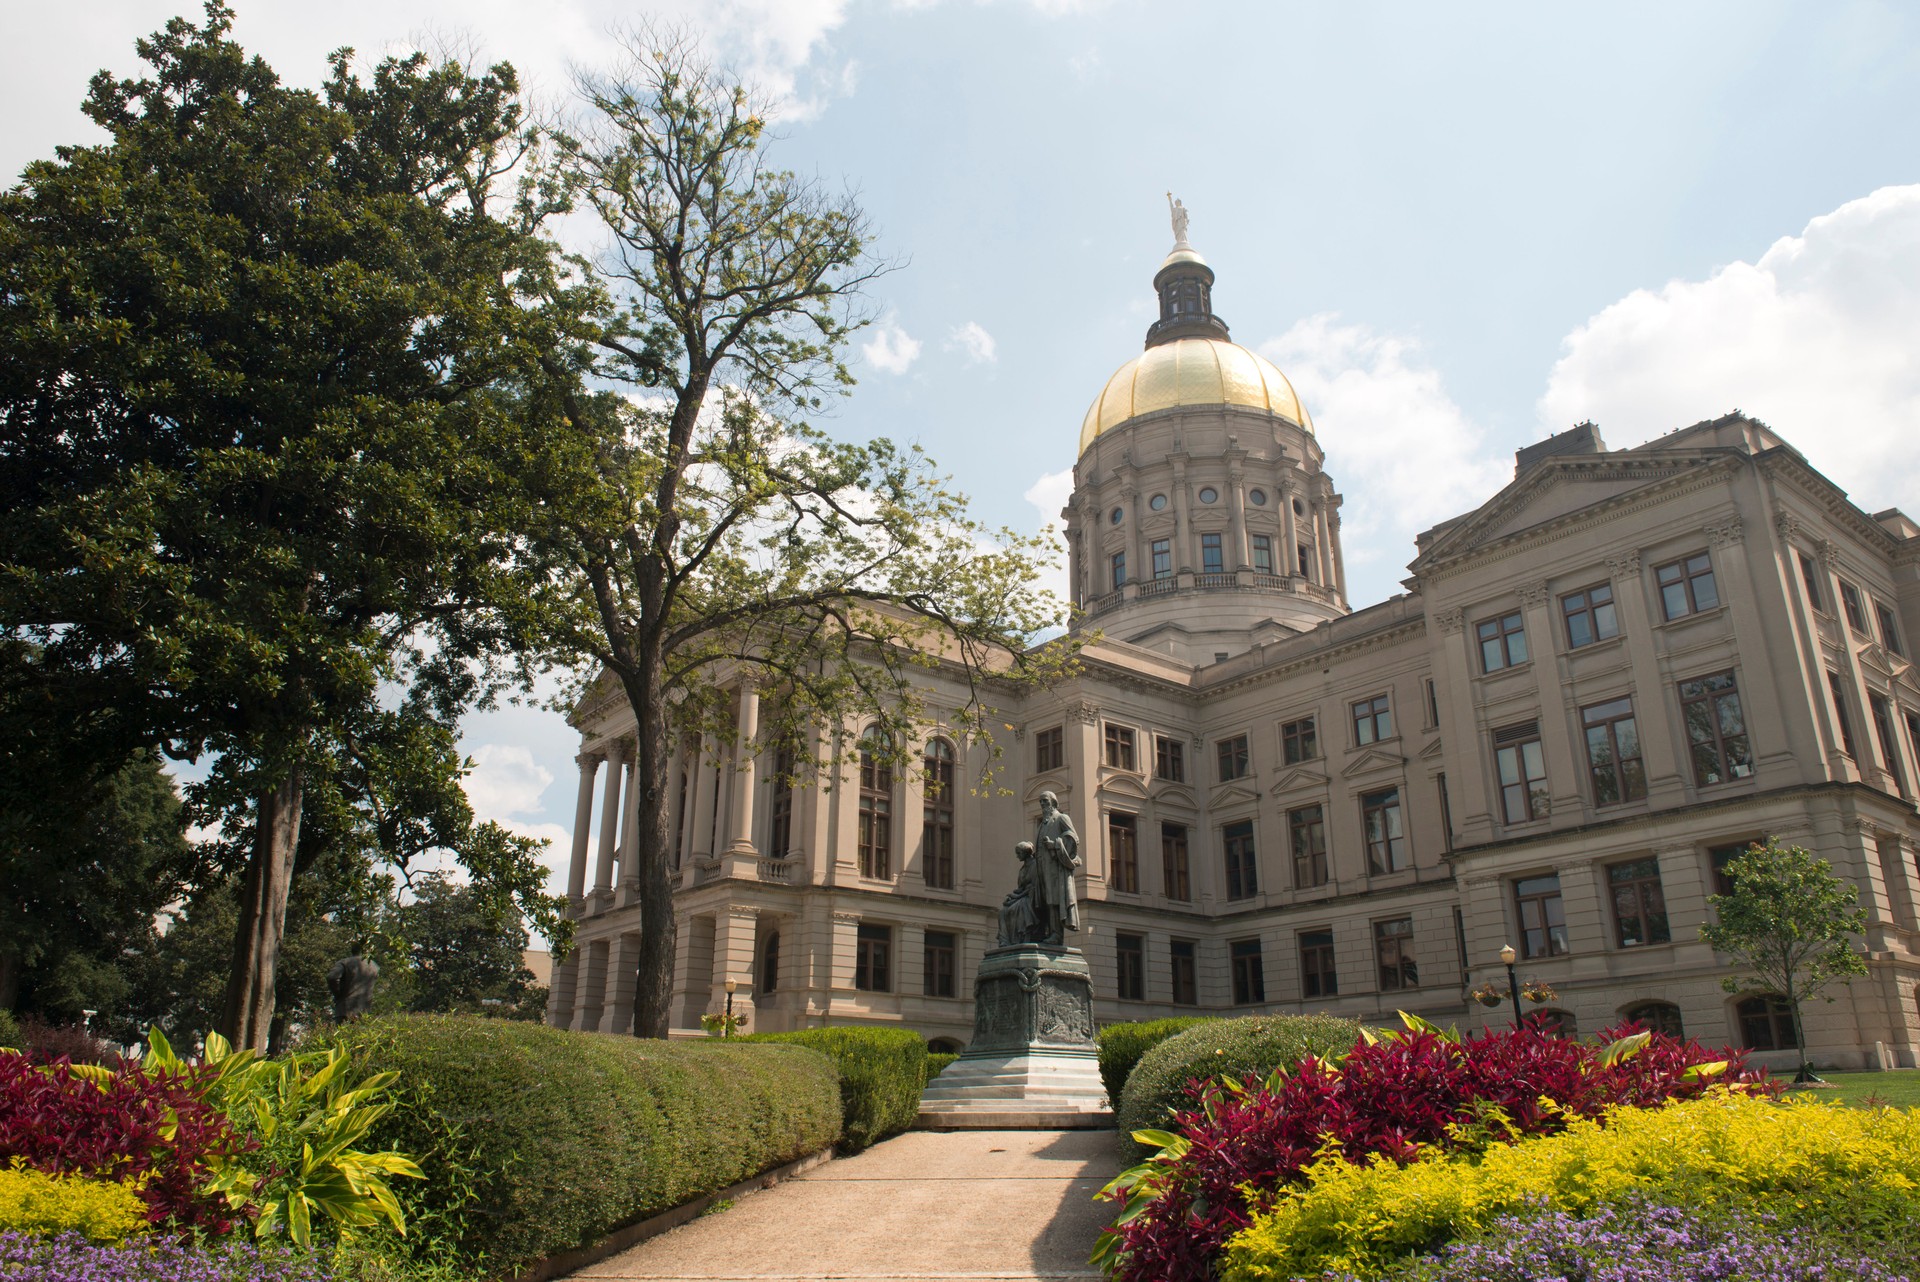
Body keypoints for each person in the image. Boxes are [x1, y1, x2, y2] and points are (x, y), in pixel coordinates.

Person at [1033, 791, 1082, 945]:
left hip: (1055, 869)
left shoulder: (1061, 818)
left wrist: (1055, 845)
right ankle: (1047, 932)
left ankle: (1056, 935)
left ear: (1053, 803)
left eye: (1045, 801)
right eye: (1040, 801)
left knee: (1054, 900)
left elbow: (1074, 839)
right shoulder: (1043, 824)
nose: (1042, 804)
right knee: (1045, 901)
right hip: (1042, 868)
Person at [998, 842, 1041, 947]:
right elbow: (1020, 888)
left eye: (1019, 853)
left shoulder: (1035, 865)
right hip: (1022, 895)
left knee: (1017, 908)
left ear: (1026, 852)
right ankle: (1005, 941)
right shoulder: (1022, 869)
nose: (1017, 856)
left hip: (1033, 897)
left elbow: (1034, 887)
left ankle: (1020, 938)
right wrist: (1012, 896)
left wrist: (1017, 896)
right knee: (1003, 911)